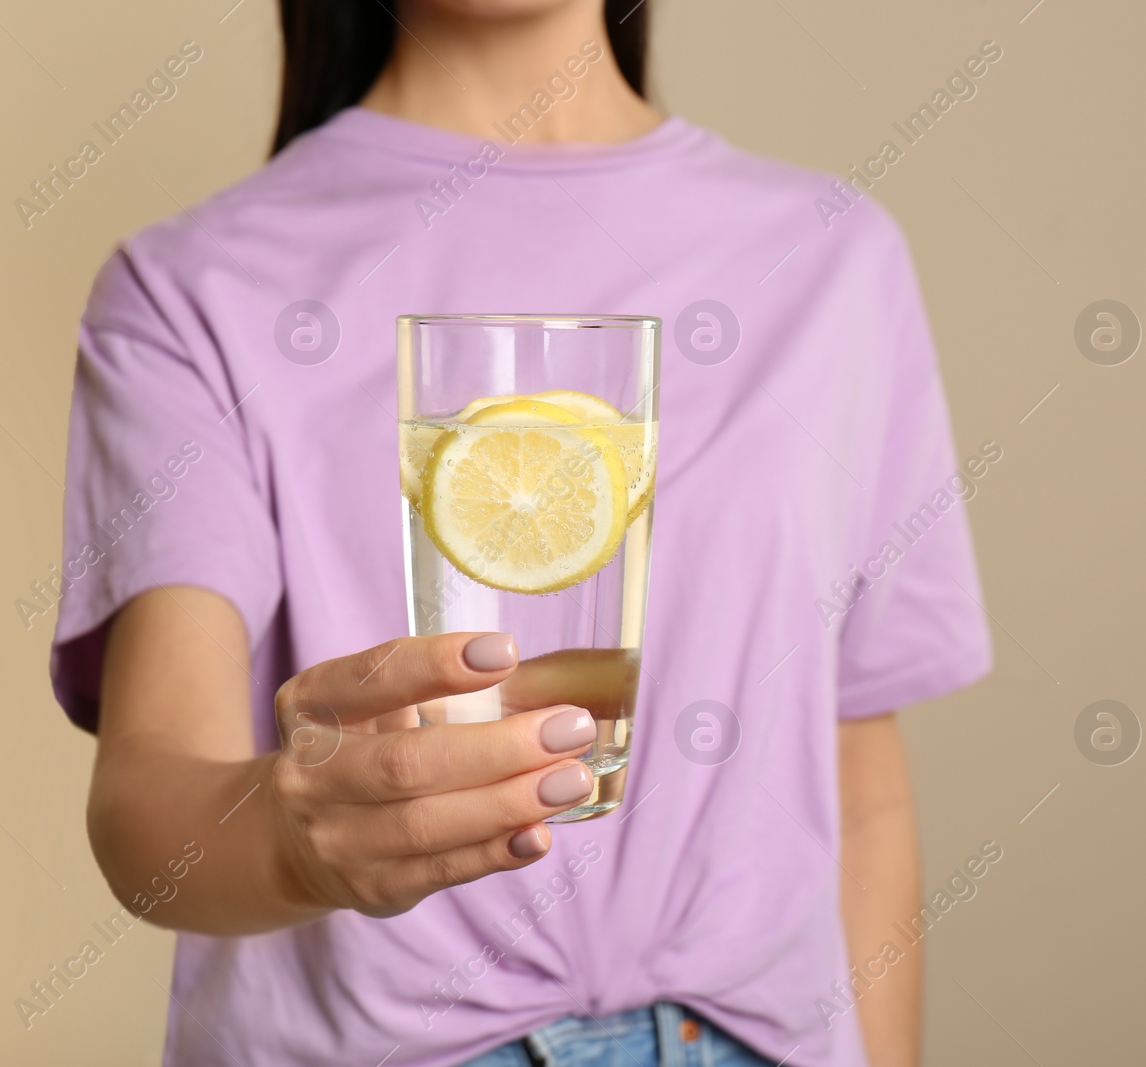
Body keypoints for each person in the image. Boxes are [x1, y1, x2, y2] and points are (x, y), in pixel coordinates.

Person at [50, 1, 992, 1064]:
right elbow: (148, 804)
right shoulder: (191, 289)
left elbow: (857, 785)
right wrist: (297, 841)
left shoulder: (831, 258)